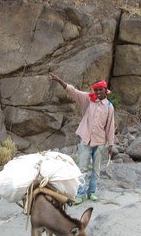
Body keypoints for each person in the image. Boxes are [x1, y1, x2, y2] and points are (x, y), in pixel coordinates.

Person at [49, 72, 115, 204]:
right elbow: (74, 91)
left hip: (100, 142)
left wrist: (111, 144)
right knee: (82, 169)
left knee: (96, 170)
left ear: (105, 91)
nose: (98, 92)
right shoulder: (88, 100)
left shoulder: (109, 106)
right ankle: (80, 194)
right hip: (85, 140)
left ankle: (92, 193)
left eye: (100, 90)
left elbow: (110, 126)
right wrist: (60, 81)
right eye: (96, 90)